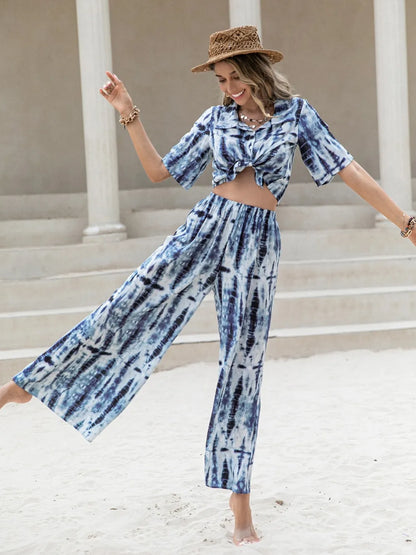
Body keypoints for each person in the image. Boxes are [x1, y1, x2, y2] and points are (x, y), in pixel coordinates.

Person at [1, 25, 415, 547]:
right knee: (128, 305)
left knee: (242, 364)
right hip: (204, 227)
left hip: (256, 245)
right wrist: (128, 111)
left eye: (235, 76)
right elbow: (160, 171)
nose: (229, 88)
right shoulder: (215, 119)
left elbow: (348, 169)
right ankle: (26, 386)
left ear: (257, 71)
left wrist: (407, 224)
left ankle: (239, 503)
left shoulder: (297, 115)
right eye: (220, 79)